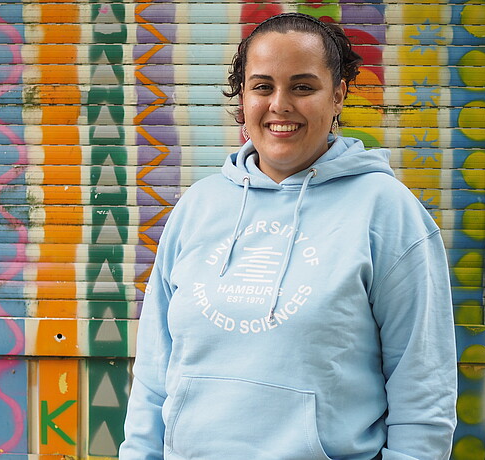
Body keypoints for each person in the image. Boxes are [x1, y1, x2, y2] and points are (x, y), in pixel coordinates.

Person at [120, 12, 457, 460]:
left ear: (337, 95)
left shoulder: (387, 211)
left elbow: (423, 386)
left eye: (302, 86)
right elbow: (154, 375)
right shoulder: (198, 207)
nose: (280, 104)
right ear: (243, 97)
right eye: (262, 86)